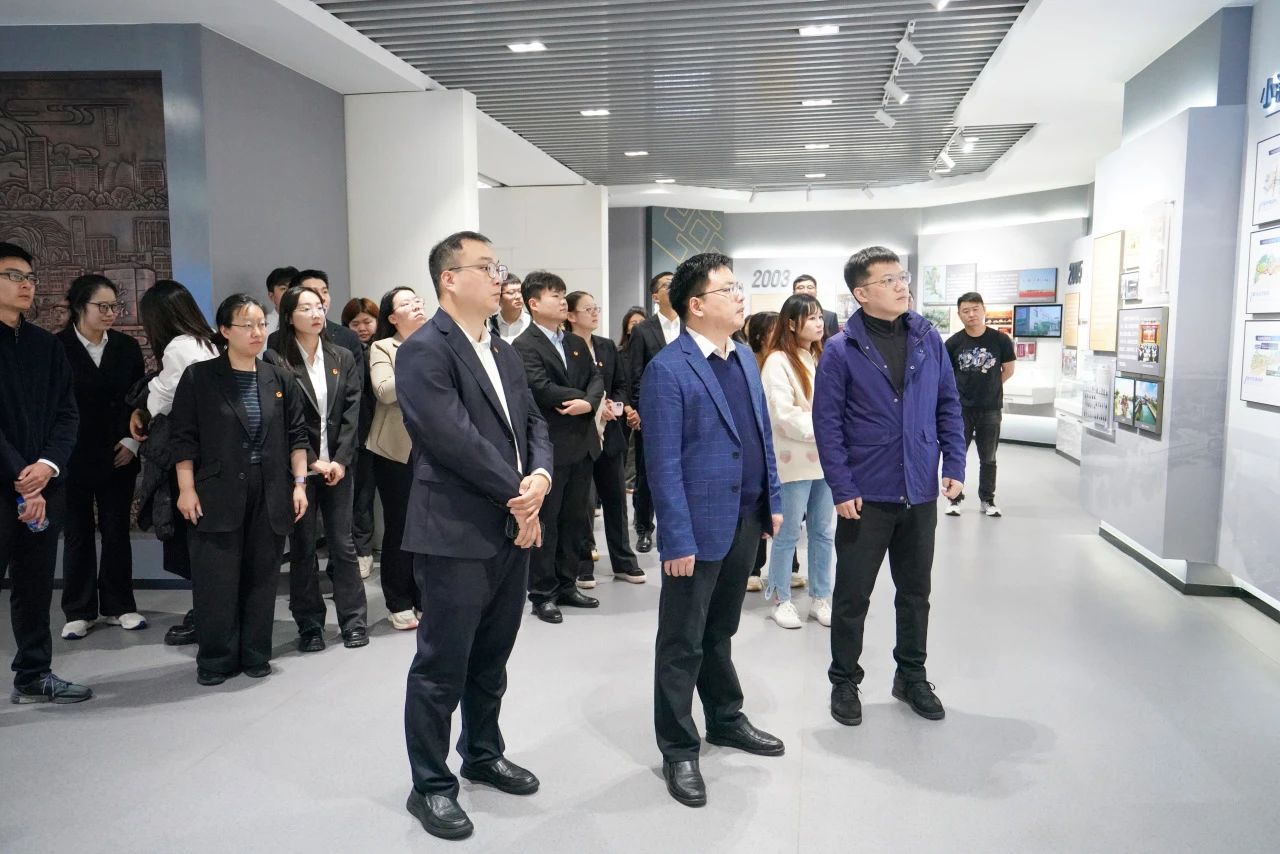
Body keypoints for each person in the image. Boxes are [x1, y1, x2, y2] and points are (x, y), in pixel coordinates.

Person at [398, 231, 552, 841]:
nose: (499, 278)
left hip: (512, 525)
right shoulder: (424, 350)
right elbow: (452, 438)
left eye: (499, 267)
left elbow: (534, 422)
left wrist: (540, 477)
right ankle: (430, 785)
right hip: (455, 528)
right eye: (486, 267)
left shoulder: (504, 351)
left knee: (492, 656)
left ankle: (483, 753)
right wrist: (520, 493)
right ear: (449, 278)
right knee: (442, 664)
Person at [640, 252, 785, 808]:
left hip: (743, 518)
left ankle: (725, 718)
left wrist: (771, 500)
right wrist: (675, 537)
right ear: (696, 305)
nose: (739, 296)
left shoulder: (743, 355)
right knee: (682, 640)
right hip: (696, 530)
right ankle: (679, 748)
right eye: (728, 289)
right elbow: (662, 464)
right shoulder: (668, 369)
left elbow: (761, 435)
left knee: (720, 629)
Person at [813, 246, 965, 727]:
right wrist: (841, 487)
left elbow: (948, 403)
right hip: (866, 495)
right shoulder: (841, 350)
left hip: (919, 490)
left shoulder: (927, 338)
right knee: (852, 596)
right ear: (861, 294)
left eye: (902, 277)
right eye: (889, 280)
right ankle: (844, 680)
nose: (902, 286)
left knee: (915, 593)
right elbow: (827, 425)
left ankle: (911, 676)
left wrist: (955, 461)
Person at [169, 294, 310, 686]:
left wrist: (300, 484)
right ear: (225, 331)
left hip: (271, 489)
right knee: (216, 579)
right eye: (247, 325)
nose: (257, 332)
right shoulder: (199, 377)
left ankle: (255, 653)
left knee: (262, 577)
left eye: (261, 324)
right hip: (216, 490)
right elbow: (183, 438)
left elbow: (298, 436)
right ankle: (216, 659)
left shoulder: (279, 378)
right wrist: (186, 488)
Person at [0, 241, 90, 704]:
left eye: (30, 277)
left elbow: (67, 413)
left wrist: (46, 467)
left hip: (45, 485)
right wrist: (21, 474)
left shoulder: (45, 345)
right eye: (14, 276)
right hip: (7, 486)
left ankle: (34, 673)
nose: (26, 285)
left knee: (35, 586)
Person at [267, 285, 369, 652]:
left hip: (338, 467)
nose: (316, 313)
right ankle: (310, 625)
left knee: (343, 545)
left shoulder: (341, 355)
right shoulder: (276, 357)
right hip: (299, 468)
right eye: (305, 308)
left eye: (319, 306)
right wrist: (313, 460)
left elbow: (352, 411)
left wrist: (339, 460)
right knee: (303, 548)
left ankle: (354, 622)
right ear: (289, 315)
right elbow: (282, 419)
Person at [56, 274, 146, 640]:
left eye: (115, 306)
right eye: (103, 306)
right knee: (77, 533)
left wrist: (131, 441)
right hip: (72, 456)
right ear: (81, 306)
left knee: (116, 530)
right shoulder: (57, 347)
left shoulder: (126, 346)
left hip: (118, 453)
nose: (111, 313)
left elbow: (138, 400)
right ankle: (79, 610)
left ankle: (119, 605)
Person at [130, 279, 219, 645]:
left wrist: (144, 403)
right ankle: (212, 613)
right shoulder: (211, 341)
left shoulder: (178, 348)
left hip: (189, 456)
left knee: (191, 542)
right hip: (217, 454)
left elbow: (162, 401)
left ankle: (208, 617)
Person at [513, 272, 604, 623]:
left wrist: (588, 403)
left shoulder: (575, 341)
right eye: (554, 295)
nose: (563, 301)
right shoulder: (524, 345)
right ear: (534, 303)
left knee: (575, 521)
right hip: (550, 448)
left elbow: (596, 378)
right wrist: (583, 399)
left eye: (564, 294)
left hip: (582, 444)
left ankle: (567, 584)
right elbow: (540, 387)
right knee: (547, 523)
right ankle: (542, 593)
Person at [760, 294, 835, 631]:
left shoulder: (818, 356)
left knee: (822, 531)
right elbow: (782, 414)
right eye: (811, 318)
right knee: (788, 532)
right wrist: (826, 429)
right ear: (791, 323)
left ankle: (820, 596)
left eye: (820, 317)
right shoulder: (777, 361)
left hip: (826, 459)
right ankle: (780, 598)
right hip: (793, 460)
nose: (819, 323)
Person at [565, 290, 644, 587]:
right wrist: (595, 406)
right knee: (582, 504)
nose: (595, 313)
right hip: (579, 434)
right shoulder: (564, 346)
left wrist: (616, 405)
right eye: (588, 309)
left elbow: (621, 384)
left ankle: (624, 561)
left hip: (609, 432)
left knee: (616, 499)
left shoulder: (606, 346)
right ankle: (583, 562)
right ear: (571, 316)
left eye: (596, 308)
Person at [368, 287, 426, 631]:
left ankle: (424, 596)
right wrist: (417, 360)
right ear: (392, 317)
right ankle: (399, 599)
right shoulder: (383, 347)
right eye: (406, 303)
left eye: (417, 300)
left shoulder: (439, 342)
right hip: (396, 451)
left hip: (434, 447)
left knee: (430, 525)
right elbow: (385, 391)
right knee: (401, 526)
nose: (416, 305)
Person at [944, 291, 1015, 518]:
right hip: (960, 409)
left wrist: (991, 387)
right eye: (966, 311)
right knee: (957, 455)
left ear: (984, 310)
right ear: (959, 314)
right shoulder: (953, 343)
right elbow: (946, 375)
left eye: (975, 309)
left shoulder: (1000, 340)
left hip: (990, 408)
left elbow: (1008, 370)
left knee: (989, 457)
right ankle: (954, 499)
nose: (971, 314)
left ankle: (987, 499)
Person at [627, 272, 678, 553]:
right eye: (666, 285)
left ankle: (677, 526)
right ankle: (644, 527)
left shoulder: (691, 326)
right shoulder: (643, 330)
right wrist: (639, 411)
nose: (674, 286)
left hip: (686, 412)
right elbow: (635, 375)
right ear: (655, 296)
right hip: (653, 413)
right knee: (648, 474)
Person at [743, 311, 786, 593]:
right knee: (760, 506)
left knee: (785, 511)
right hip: (757, 445)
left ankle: (789, 566)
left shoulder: (784, 360)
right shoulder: (747, 361)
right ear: (759, 335)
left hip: (783, 446)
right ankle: (754, 569)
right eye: (774, 329)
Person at [342, 297, 380, 578]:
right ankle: (360, 552)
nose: (362, 328)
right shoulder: (344, 353)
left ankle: (366, 551)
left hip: (383, 432)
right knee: (359, 496)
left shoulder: (385, 349)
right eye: (355, 323)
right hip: (356, 434)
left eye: (367, 321)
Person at [267, 268, 363, 369]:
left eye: (325, 291)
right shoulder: (276, 339)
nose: (322, 298)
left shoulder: (348, 336)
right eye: (312, 292)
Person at [618, 305, 647, 493]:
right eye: (633, 323)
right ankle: (627, 481)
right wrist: (628, 408)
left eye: (641, 323)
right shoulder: (619, 353)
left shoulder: (650, 353)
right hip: (623, 408)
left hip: (642, 407)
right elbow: (618, 383)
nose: (636, 326)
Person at [793, 274, 840, 342]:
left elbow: (835, 343)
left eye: (810, 287)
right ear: (794, 292)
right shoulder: (787, 315)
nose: (805, 291)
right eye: (800, 287)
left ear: (816, 292)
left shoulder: (830, 317)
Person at [487, 273, 529, 342]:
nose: (518, 296)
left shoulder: (532, 322)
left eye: (520, 291)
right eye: (511, 292)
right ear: (498, 297)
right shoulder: (489, 325)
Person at [263, 266, 298, 335]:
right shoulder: (262, 325)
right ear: (271, 296)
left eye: (293, 287)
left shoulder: (311, 321)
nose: (290, 292)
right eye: (283, 288)